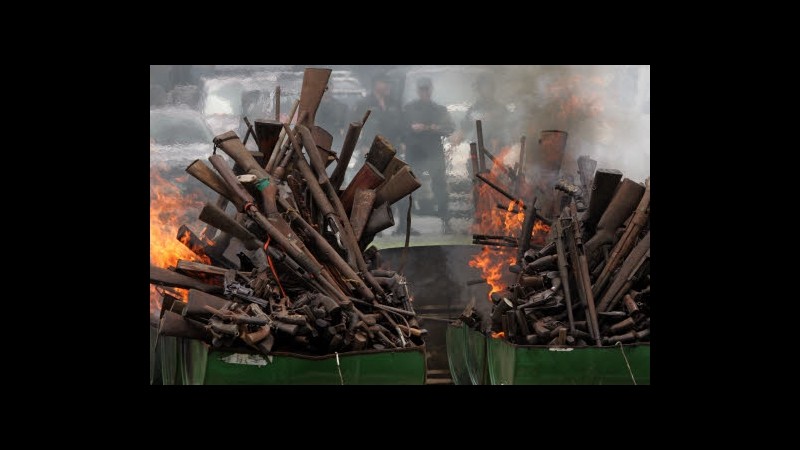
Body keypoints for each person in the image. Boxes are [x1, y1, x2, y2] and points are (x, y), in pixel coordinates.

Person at [398, 77, 456, 234]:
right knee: (407, 188)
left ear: (431, 89)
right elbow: (401, 129)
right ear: (418, 90)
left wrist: (433, 128)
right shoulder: (409, 109)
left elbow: (450, 128)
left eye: (427, 89)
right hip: (414, 152)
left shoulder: (439, 110)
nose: (424, 92)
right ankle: (403, 225)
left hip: (433, 152)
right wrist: (412, 129)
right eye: (422, 89)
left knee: (440, 188)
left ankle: (446, 222)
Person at [452, 73, 510, 154]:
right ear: (479, 89)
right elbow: (465, 126)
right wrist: (458, 136)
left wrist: (494, 118)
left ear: (493, 88)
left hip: (497, 151)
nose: (487, 90)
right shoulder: (473, 109)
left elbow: (509, 127)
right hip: (478, 149)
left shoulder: (501, 109)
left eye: (489, 86)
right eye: (484, 87)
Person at [315, 81, 349, 152]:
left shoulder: (341, 107)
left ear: (332, 89)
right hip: (317, 140)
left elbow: (345, 126)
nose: (327, 90)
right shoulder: (314, 105)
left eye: (329, 88)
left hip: (335, 140)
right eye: (325, 88)